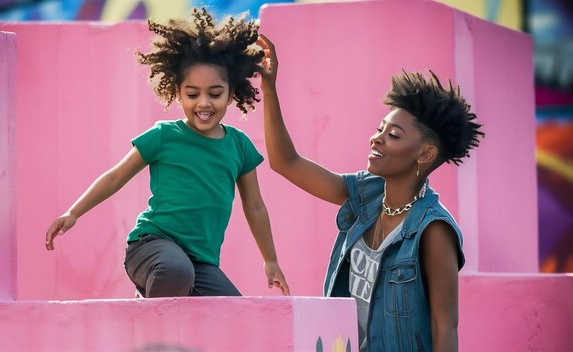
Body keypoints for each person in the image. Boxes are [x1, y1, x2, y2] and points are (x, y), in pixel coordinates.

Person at [257, 35, 484, 351]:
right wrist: (269, 89)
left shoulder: (433, 230)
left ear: (425, 154)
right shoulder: (366, 196)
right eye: (380, 129)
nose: (376, 139)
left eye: (392, 135)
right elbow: (286, 163)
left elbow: (444, 327)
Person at [44, 8, 289, 298]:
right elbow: (115, 178)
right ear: (177, 92)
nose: (203, 103)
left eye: (215, 93)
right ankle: (149, 324)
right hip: (150, 247)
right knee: (175, 271)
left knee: (235, 311)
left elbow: (256, 206)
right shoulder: (164, 136)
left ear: (231, 91)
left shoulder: (239, 145)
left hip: (200, 263)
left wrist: (270, 259)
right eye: (192, 93)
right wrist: (74, 212)